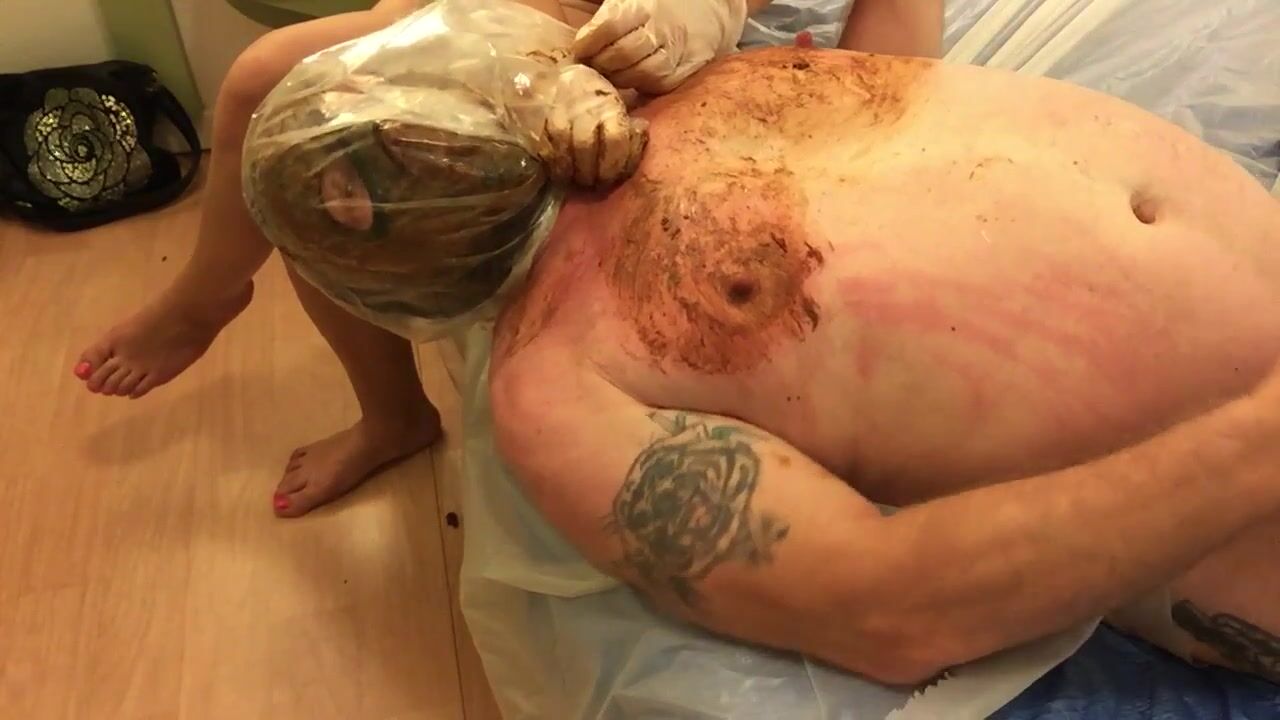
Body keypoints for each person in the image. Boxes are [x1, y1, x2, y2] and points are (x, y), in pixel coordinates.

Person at [244, 2, 1280, 689]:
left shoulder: (667, 72)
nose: (408, 131)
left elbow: (902, 90)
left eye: (393, 93)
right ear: (390, 274)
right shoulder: (553, 389)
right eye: (366, 175)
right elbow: (885, 607)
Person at [75, 0, 889, 516]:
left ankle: (255, 331)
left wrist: (691, 22)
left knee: (350, 165)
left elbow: (873, 88)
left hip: (671, 64)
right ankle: (249, 323)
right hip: (529, 18)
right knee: (291, 100)